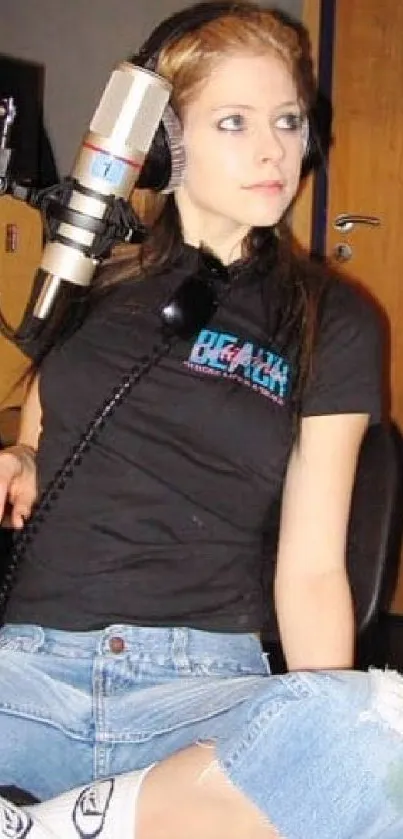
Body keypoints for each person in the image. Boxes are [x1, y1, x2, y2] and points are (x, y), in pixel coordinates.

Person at [0, 2, 402, 838]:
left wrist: (316, 723)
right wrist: (23, 451)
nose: (273, 150)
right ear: (163, 147)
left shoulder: (334, 319)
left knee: (381, 733)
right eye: (234, 122)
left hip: (199, 694)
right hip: (27, 675)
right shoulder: (96, 277)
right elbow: (44, 404)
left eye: (288, 121)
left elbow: (313, 566)